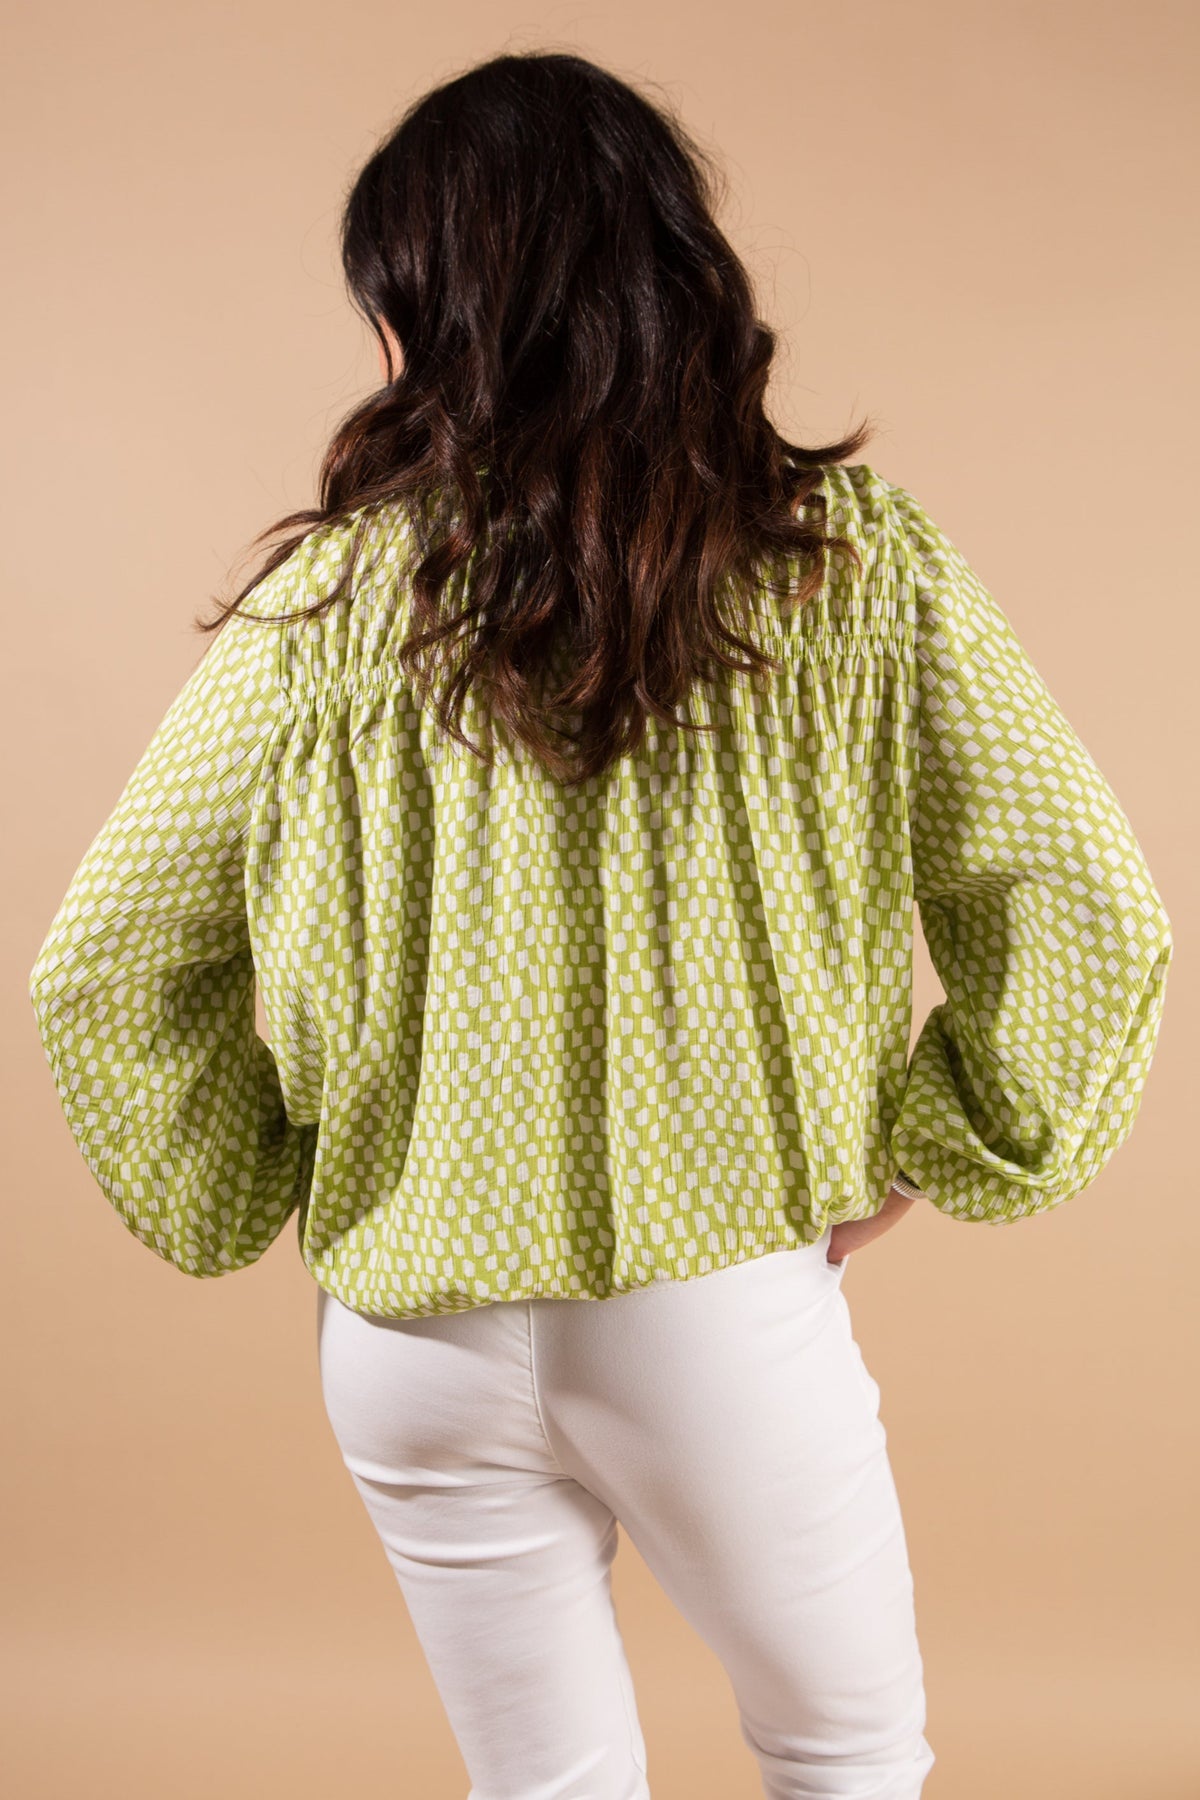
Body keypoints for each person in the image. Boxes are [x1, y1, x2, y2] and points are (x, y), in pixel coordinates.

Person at [28, 50, 1172, 1800]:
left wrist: (257, 1178)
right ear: (670, 272)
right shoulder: (851, 569)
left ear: (440, 315)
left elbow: (107, 961)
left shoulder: (322, 604)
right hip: (718, 1305)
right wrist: (935, 1145)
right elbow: (1079, 896)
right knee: (848, 1757)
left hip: (404, 1337)